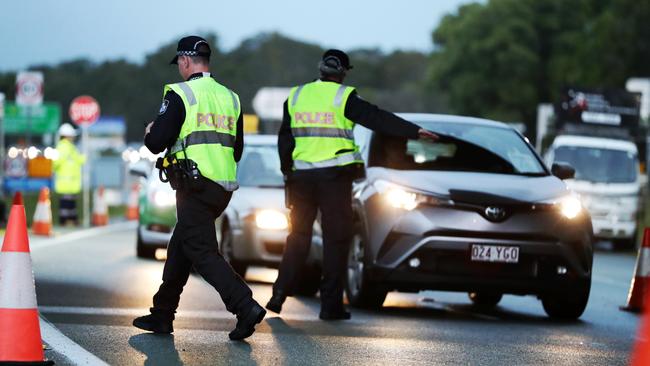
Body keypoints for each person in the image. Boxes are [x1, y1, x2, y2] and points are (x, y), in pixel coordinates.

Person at [266, 49, 438, 319]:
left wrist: (289, 172)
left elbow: (284, 139)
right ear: (343, 72)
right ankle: (330, 307)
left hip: (302, 179)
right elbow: (377, 118)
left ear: (321, 69)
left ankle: (279, 293)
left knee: (298, 237)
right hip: (334, 179)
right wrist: (414, 131)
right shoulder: (344, 97)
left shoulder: (297, 95)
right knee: (336, 241)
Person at [133, 36, 265, 341]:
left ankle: (245, 306)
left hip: (194, 186)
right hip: (221, 188)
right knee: (181, 246)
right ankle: (162, 314)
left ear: (184, 61)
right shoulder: (231, 97)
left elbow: (155, 144)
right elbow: (237, 148)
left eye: (179, 62)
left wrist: (151, 130)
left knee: (202, 251)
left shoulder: (181, 94)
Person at [52, 123, 85, 226]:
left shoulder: (70, 148)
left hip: (70, 182)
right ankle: (65, 220)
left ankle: (71, 220)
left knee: (70, 203)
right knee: (66, 203)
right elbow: (56, 163)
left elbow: (78, 160)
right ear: (67, 136)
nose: (73, 137)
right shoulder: (63, 148)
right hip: (66, 182)